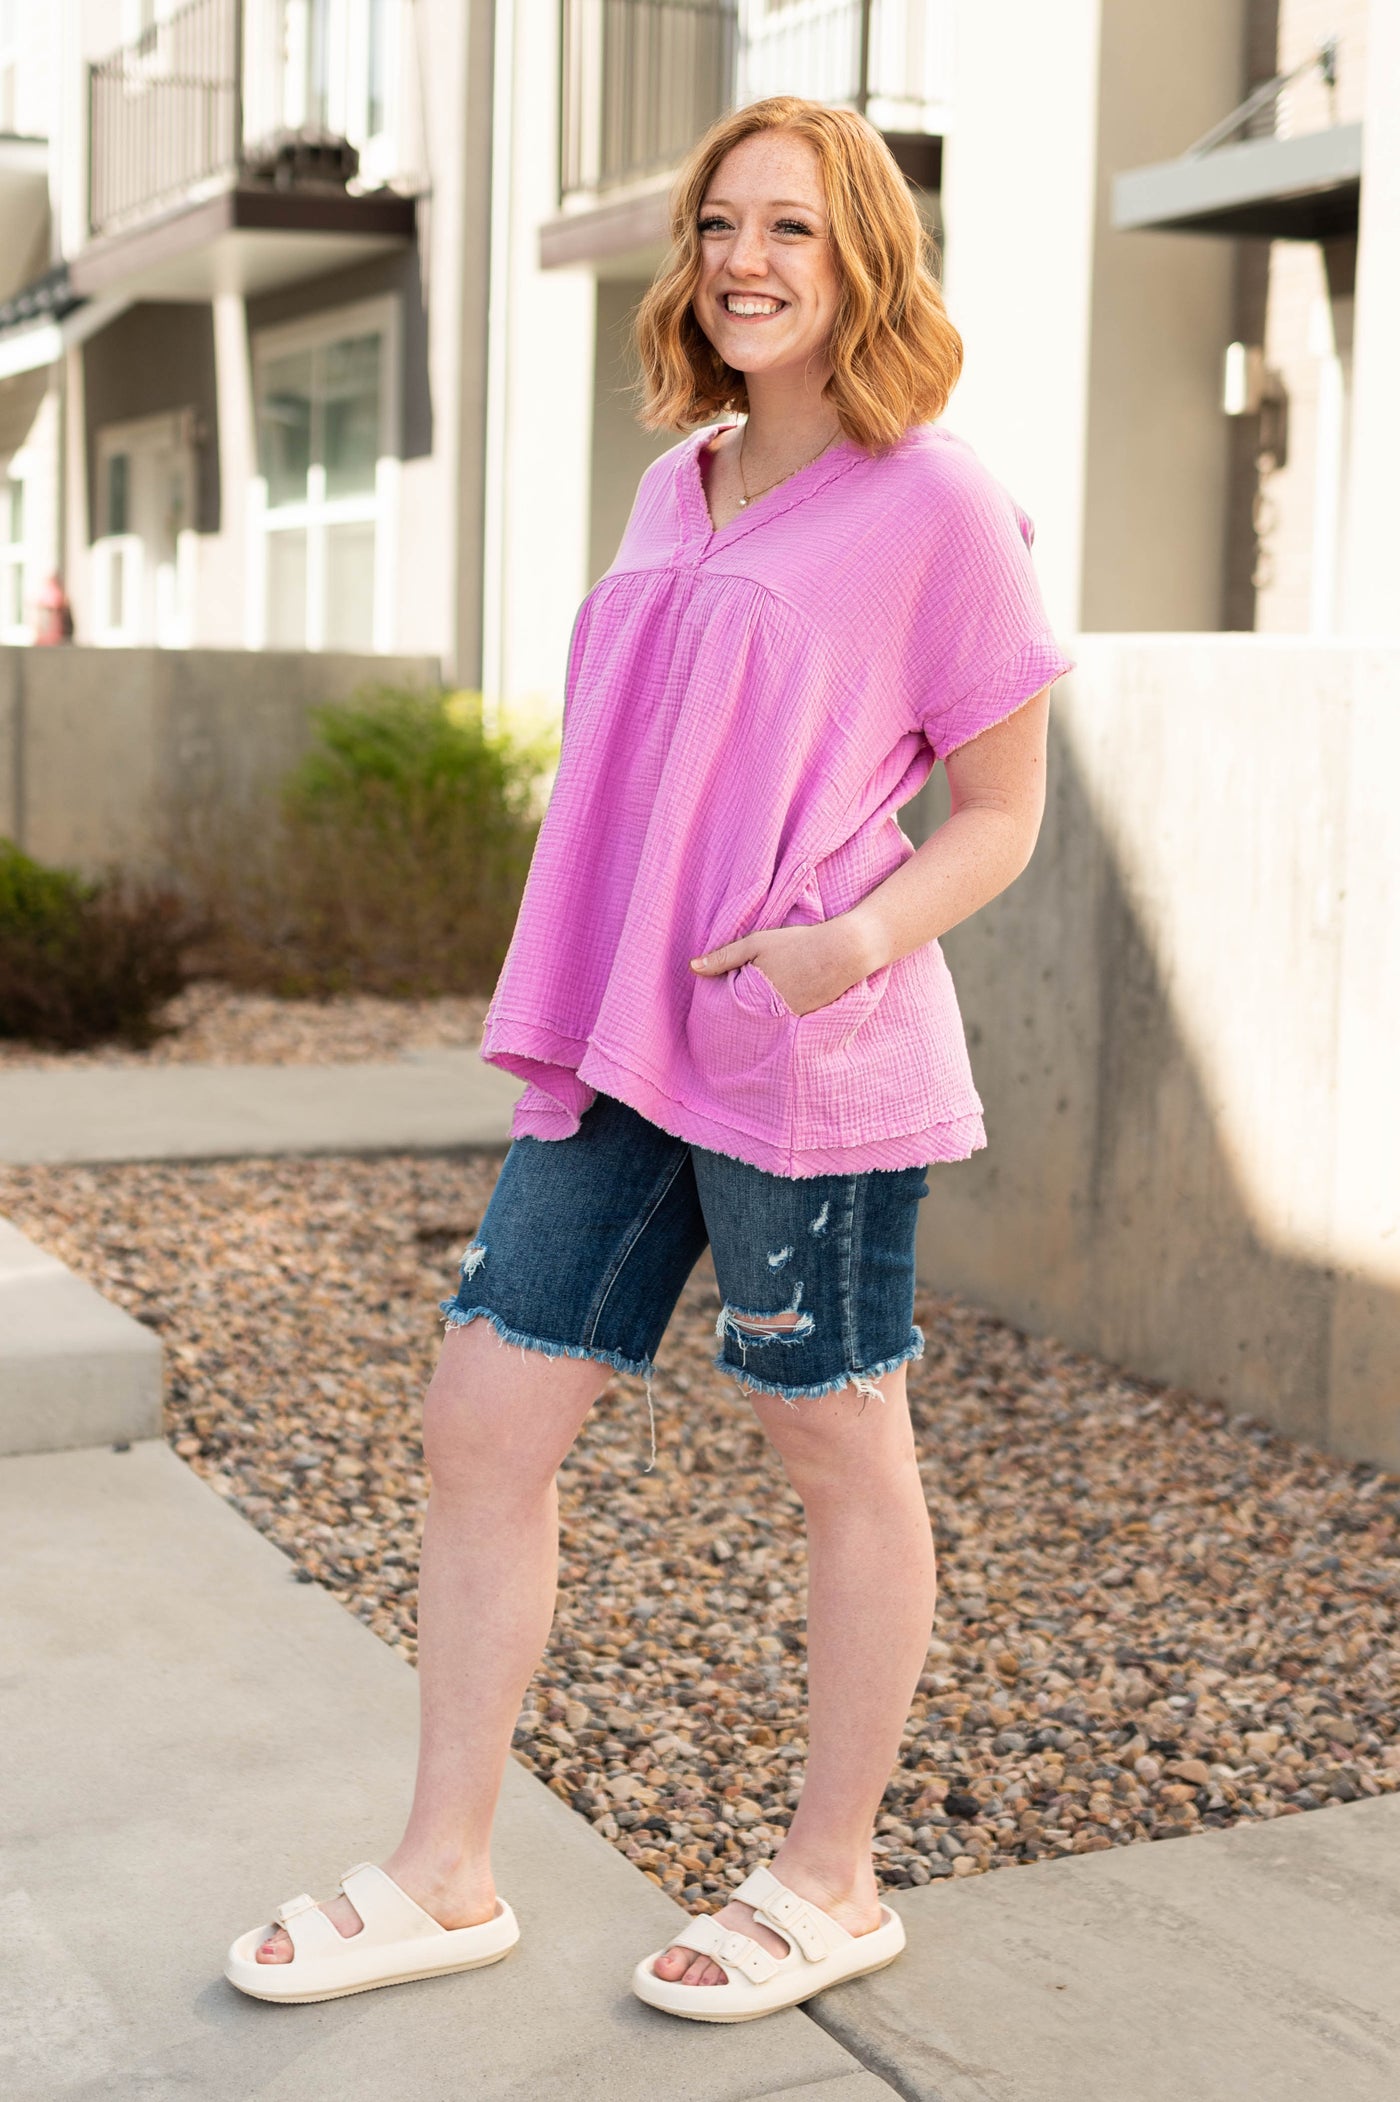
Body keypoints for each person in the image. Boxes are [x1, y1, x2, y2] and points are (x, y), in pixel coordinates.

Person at [225, 94, 1073, 2019]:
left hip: (811, 1054)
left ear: (862, 255)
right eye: (719, 224)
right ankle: (445, 1868)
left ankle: (832, 1877)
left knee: (832, 1439)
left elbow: (1002, 808)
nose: (747, 259)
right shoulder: (674, 481)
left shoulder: (935, 501)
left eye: (792, 226)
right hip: (627, 1044)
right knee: (482, 1421)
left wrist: (845, 941)